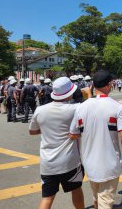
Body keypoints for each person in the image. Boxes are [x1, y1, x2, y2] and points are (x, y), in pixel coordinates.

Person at [69, 70, 122, 209]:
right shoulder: (117, 107)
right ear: (109, 84)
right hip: (109, 164)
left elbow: (73, 134)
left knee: (97, 197)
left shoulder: (81, 107)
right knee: (105, 201)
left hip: (89, 163)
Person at [29, 77, 85, 209]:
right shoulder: (76, 108)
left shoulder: (40, 110)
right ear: (70, 93)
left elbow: (32, 131)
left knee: (47, 197)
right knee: (76, 190)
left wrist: (49, 131)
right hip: (69, 161)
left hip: (47, 162)